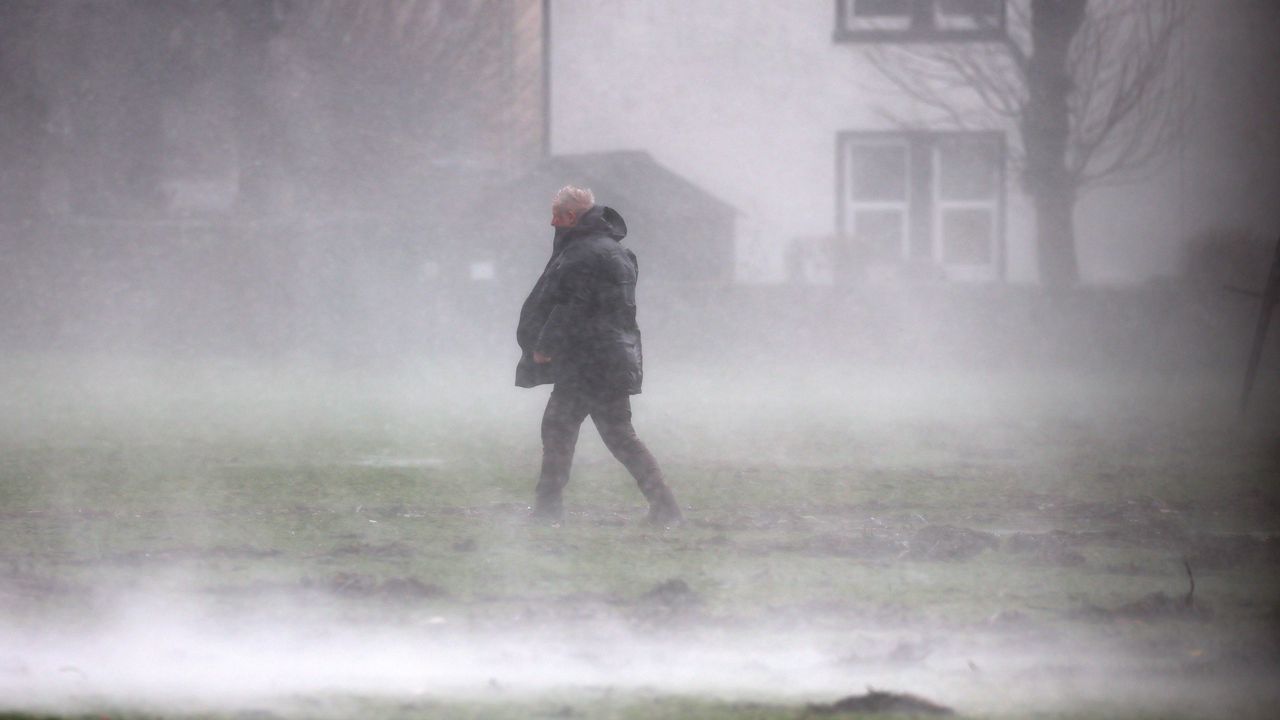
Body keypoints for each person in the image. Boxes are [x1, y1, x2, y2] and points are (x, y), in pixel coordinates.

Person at [516, 186, 683, 526]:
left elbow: (572, 307)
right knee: (620, 436)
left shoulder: (582, 254)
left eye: (557, 216)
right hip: (610, 359)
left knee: (559, 430)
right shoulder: (616, 252)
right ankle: (665, 507)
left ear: (571, 217)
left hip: (586, 362)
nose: (552, 223)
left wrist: (545, 345)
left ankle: (547, 511)